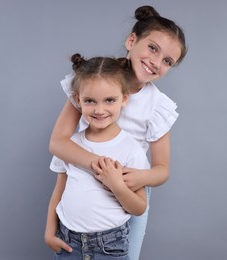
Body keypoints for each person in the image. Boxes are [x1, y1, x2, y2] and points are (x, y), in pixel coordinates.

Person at [49, 5, 187, 260]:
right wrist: (103, 168)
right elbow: (58, 143)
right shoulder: (93, 78)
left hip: (128, 190)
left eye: (168, 61)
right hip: (83, 182)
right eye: (153, 48)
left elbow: (161, 169)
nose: (156, 62)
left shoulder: (158, 107)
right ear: (132, 40)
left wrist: (139, 178)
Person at [45, 53, 150, 259]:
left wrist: (116, 185)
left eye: (109, 100)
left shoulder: (131, 150)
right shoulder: (70, 145)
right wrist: (49, 232)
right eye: (90, 101)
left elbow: (139, 208)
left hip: (109, 246)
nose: (99, 110)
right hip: (68, 242)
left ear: (124, 99)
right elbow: (59, 191)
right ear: (78, 100)